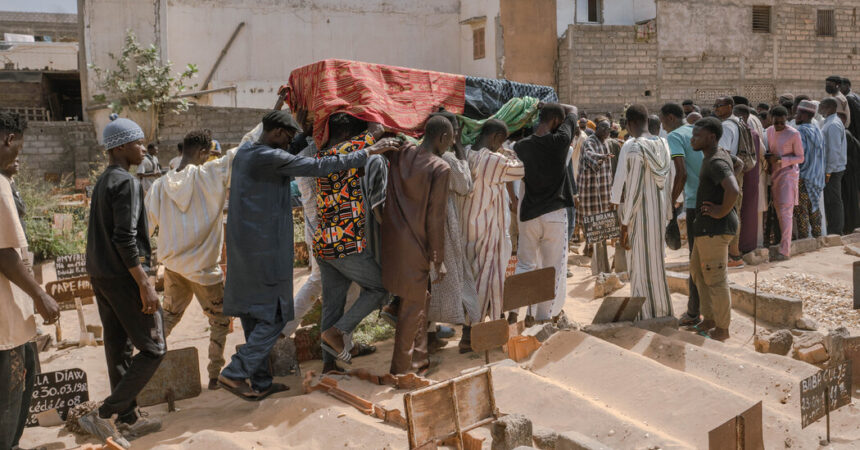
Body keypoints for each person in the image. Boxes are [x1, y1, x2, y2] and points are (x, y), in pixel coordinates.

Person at [218, 110, 398, 398]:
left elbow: (295, 143)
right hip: (266, 249)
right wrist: (370, 148)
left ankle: (261, 382)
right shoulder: (270, 157)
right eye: (288, 138)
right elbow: (319, 164)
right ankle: (235, 372)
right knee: (276, 317)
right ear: (276, 133)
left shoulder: (246, 151)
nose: (291, 144)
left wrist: (299, 125)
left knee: (255, 315)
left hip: (252, 247)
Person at [80, 117, 164, 446]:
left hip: (101, 274)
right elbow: (125, 239)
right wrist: (144, 283)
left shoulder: (104, 181)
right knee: (155, 348)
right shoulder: (126, 182)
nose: (143, 147)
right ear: (119, 147)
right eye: (137, 142)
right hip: (123, 276)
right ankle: (104, 413)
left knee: (119, 348)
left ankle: (127, 419)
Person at [144, 129, 234, 391]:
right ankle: (215, 375)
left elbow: (145, 227)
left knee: (168, 318)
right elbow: (243, 149)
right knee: (219, 320)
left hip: (173, 268)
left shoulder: (159, 186)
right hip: (204, 270)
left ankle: (145, 366)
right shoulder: (209, 174)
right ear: (204, 153)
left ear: (181, 150)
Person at [0, 111, 60, 450]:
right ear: (10, 139)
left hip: (12, 320)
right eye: (18, 147)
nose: (18, 154)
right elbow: (5, 253)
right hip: (5, 322)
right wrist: (40, 294)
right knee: (10, 406)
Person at [314, 113, 389, 371]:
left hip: (325, 243)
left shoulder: (320, 156)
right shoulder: (344, 152)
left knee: (332, 304)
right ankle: (340, 332)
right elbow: (377, 130)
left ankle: (328, 365)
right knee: (380, 288)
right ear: (348, 136)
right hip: (346, 244)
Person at [382, 116, 451, 375]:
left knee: (421, 300)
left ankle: (420, 363)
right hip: (417, 245)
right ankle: (401, 371)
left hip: (393, 243)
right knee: (412, 308)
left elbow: (389, 135)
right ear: (443, 138)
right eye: (451, 138)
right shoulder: (440, 167)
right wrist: (438, 257)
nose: (452, 143)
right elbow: (436, 217)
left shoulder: (402, 152)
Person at [460, 119, 523, 349]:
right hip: (489, 230)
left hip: (469, 228)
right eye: (501, 141)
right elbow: (519, 170)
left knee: (473, 280)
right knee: (491, 281)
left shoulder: (466, 153)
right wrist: (508, 152)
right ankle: (482, 335)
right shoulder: (493, 159)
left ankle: (468, 333)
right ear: (496, 138)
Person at [513, 103, 577, 324]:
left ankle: (519, 313)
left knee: (526, 264)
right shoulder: (561, 143)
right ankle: (543, 318)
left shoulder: (520, 147)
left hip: (529, 214)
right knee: (552, 269)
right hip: (555, 215)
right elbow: (573, 110)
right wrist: (550, 105)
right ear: (557, 122)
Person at [610, 104, 673, 319]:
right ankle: (662, 310)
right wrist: (668, 214)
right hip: (658, 215)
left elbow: (634, 190)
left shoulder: (635, 148)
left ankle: (643, 314)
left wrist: (625, 223)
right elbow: (669, 181)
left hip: (639, 217)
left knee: (638, 267)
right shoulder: (663, 144)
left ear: (630, 124)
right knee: (656, 265)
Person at [427, 112, 480, 342]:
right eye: (453, 133)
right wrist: (459, 148)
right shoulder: (446, 160)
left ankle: (429, 334)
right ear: (445, 135)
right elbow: (465, 185)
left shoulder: (415, 155)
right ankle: (467, 331)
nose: (456, 137)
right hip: (443, 227)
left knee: (428, 283)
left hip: (419, 228)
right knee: (455, 279)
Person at [688, 117, 740, 342]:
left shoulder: (715, 162)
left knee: (716, 279)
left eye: (697, 135)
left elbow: (734, 190)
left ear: (711, 137)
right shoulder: (716, 157)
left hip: (715, 229)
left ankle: (722, 329)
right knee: (699, 273)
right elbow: (737, 164)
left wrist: (720, 210)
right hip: (706, 229)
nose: (692, 139)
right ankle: (709, 319)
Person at [660, 103, 703, 326]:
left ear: (670, 118)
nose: (662, 127)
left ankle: (694, 312)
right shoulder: (694, 130)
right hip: (709, 198)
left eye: (662, 121)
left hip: (695, 201)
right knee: (703, 259)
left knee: (694, 260)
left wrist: (670, 201)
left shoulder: (675, 136)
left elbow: (682, 172)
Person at [765, 106, 805, 260]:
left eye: (782, 122)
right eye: (776, 123)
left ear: (786, 119)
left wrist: (781, 160)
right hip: (774, 175)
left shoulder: (794, 134)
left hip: (788, 175)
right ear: (771, 120)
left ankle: (785, 251)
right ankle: (781, 245)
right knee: (779, 212)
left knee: (786, 213)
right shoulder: (769, 131)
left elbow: (800, 158)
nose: (779, 125)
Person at [576, 118, 615, 274]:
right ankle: (590, 246)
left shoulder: (606, 142)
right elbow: (590, 155)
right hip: (591, 189)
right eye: (604, 129)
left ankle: (599, 252)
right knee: (590, 218)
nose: (607, 132)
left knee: (603, 218)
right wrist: (601, 157)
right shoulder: (590, 142)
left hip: (604, 188)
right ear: (597, 128)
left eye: (608, 130)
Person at [712, 97, 745, 267]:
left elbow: (723, 155)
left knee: (729, 212)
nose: (716, 108)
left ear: (730, 107)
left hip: (730, 174)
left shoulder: (726, 126)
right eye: (715, 106)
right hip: (737, 174)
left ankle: (733, 255)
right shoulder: (738, 123)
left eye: (720, 106)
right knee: (734, 211)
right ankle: (734, 253)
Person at [793, 101, 826, 239]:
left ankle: (804, 240)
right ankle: (818, 237)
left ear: (804, 114)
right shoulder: (816, 129)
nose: (796, 116)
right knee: (814, 208)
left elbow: (801, 156)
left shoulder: (801, 131)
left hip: (804, 177)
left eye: (798, 113)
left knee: (802, 210)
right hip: (817, 177)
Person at [819, 98, 847, 236]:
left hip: (834, 170)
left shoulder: (834, 124)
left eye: (822, 106)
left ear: (829, 107)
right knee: (830, 200)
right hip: (831, 168)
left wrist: (828, 172)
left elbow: (834, 150)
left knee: (834, 200)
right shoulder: (829, 122)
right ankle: (833, 228)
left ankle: (837, 230)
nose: (820, 108)